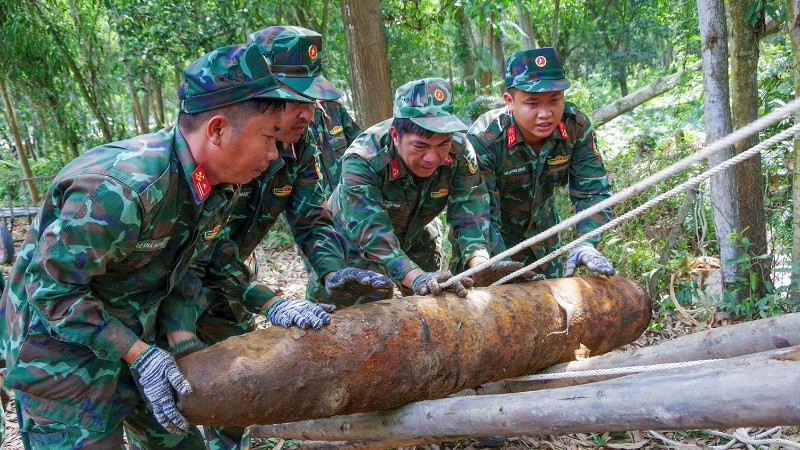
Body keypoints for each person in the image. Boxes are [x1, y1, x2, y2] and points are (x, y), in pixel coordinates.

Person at [0, 42, 330, 449]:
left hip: (138, 334)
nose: (273, 154)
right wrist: (138, 353)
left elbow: (211, 255)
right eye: (268, 137)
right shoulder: (121, 189)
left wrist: (271, 302)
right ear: (217, 130)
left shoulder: (215, 183)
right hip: (61, 358)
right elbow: (52, 291)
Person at [155, 26, 393, 450]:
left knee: (233, 397)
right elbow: (202, 245)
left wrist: (333, 271)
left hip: (229, 281)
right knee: (170, 402)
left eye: (311, 99)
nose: (308, 111)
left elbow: (310, 218)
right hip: (174, 284)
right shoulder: (214, 143)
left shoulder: (297, 147)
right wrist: (269, 301)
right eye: (294, 98)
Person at [325, 77, 534, 304]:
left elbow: (470, 213)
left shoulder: (460, 149)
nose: (433, 158)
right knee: (348, 316)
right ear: (396, 135)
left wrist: (481, 264)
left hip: (417, 234)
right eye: (420, 146)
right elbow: (371, 232)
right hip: (347, 243)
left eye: (442, 144)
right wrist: (415, 278)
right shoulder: (363, 158)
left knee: (433, 305)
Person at [464, 48, 616, 280]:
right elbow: (479, 213)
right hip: (490, 249)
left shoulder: (575, 126)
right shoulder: (486, 138)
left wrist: (586, 242)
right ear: (509, 101)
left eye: (555, 100)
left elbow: (593, 192)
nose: (545, 113)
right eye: (532, 103)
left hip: (544, 245)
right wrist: (497, 264)